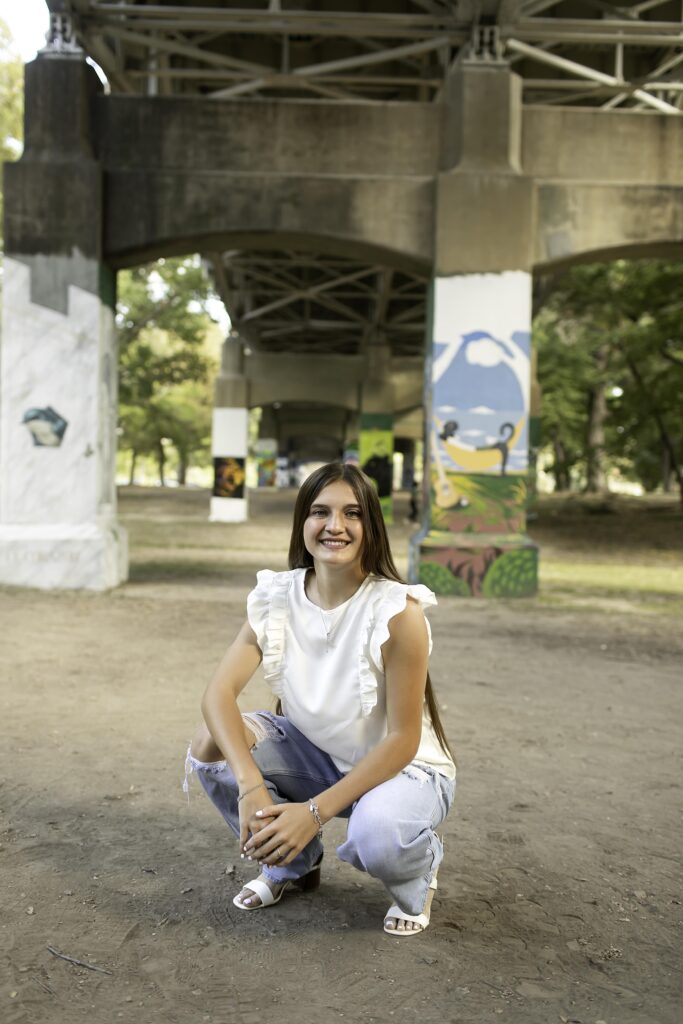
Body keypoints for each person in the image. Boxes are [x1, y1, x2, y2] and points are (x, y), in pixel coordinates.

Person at [185, 462, 456, 935]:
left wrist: (313, 813)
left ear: (370, 526)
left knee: (379, 837)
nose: (335, 526)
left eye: (352, 513)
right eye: (320, 512)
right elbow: (218, 694)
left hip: (404, 770)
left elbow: (403, 739)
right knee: (211, 742)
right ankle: (292, 863)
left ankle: (419, 873)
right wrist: (250, 785)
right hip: (317, 757)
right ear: (302, 524)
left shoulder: (397, 611)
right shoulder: (276, 596)